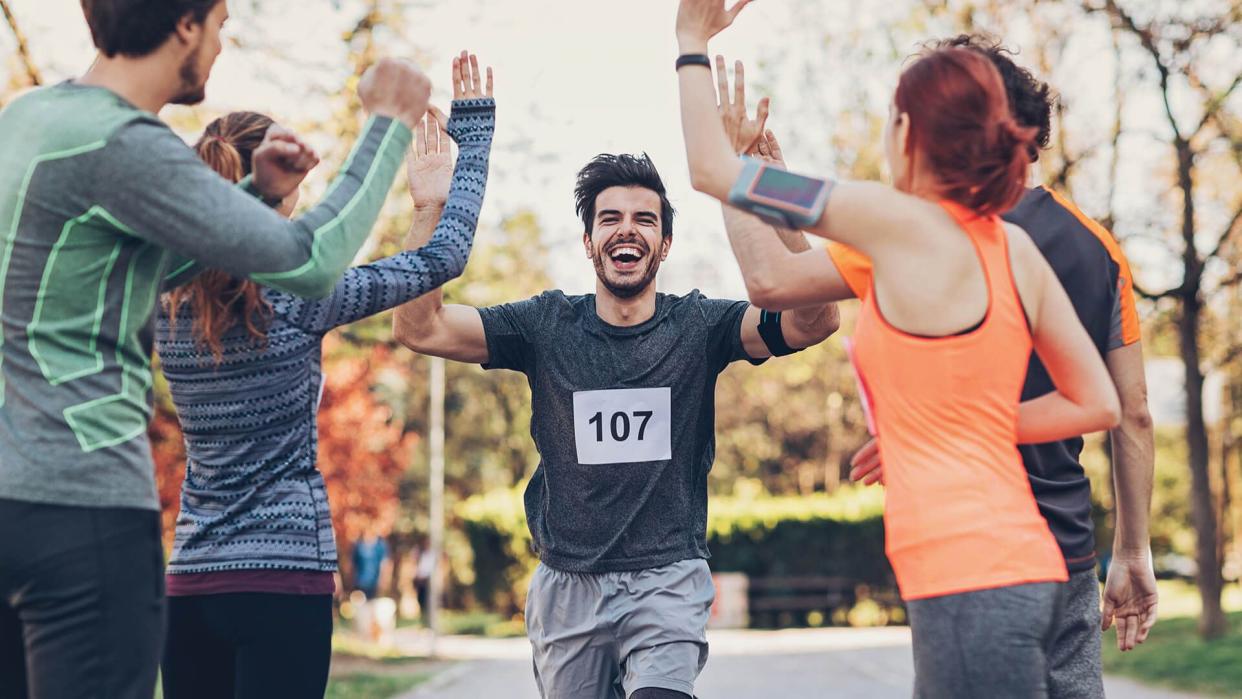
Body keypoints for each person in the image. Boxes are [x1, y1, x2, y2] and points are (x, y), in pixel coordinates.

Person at [674, 1, 1120, 696]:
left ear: (909, 131)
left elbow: (710, 168)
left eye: (889, 118)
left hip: (969, 571)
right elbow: (1097, 401)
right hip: (1020, 567)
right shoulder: (1014, 251)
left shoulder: (888, 220)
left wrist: (691, 41)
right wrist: (947, 427)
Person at [0, 1, 429, 695]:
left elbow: (158, 262)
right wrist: (388, 124)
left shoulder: (28, 120)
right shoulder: (129, 145)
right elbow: (310, 258)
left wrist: (255, 196)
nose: (225, 43)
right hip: (85, 514)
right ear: (185, 25)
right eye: (224, 23)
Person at [392, 148, 838, 697]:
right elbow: (420, 328)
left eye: (644, 219)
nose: (627, 230)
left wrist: (775, 195)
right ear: (588, 242)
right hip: (567, 586)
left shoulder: (699, 325)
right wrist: (429, 210)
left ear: (664, 244)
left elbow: (816, 319)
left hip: (667, 578)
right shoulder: (544, 325)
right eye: (610, 218)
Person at [155, 53, 494, 699]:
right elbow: (445, 256)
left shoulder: (163, 300)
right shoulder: (301, 293)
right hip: (285, 575)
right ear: (278, 188)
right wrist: (471, 144)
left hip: (193, 577)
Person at [842, 35, 1158, 698]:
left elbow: (777, 283)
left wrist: (935, 428)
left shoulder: (926, 234)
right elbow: (1130, 411)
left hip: (969, 544)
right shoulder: (1099, 247)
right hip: (1066, 545)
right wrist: (1132, 550)